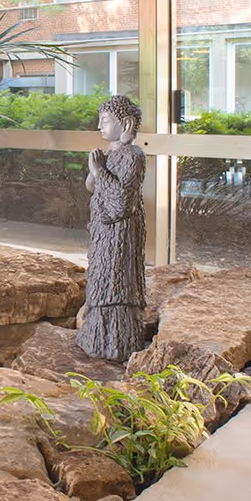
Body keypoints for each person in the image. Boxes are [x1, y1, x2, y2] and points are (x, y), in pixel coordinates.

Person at [76, 95, 146, 362]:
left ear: (125, 123)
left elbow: (120, 204)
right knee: (99, 280)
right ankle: (95, 336)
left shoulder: (133, 156)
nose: (99, 126)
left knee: (114, 284)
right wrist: (95, 171)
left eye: (105, 120)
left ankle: (116, 341)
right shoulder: (112, 154)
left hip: (119, 235)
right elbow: (92, 187)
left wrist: (100, 171)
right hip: (103, 233)